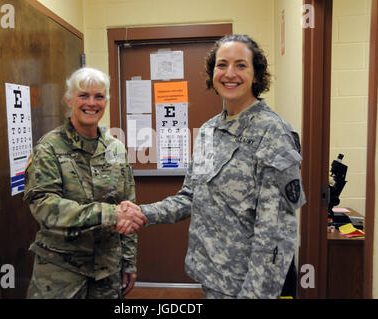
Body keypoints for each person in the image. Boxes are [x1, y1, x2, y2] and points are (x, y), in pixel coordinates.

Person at [119, 34, 306, 298]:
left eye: (241, 65)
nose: (230, 73)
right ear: (212, 73)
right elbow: (190, 197)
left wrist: (254, 294)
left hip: (249, 286)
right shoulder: (209, 130)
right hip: (212, 277)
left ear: (256, 76)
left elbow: (276, 234)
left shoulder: (273, 132)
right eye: (222, 64)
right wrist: (142, 213)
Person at [23, 66, 147, 299]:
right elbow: (44, 206)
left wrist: (129, 261)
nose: (91, 103)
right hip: (61, 273)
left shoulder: (115, 148)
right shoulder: (49, 148)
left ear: (106, 101)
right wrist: (109, 214)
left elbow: (128, 205)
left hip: (107, 272)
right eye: (83, 95)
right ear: (69, 100)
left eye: (99, 96)